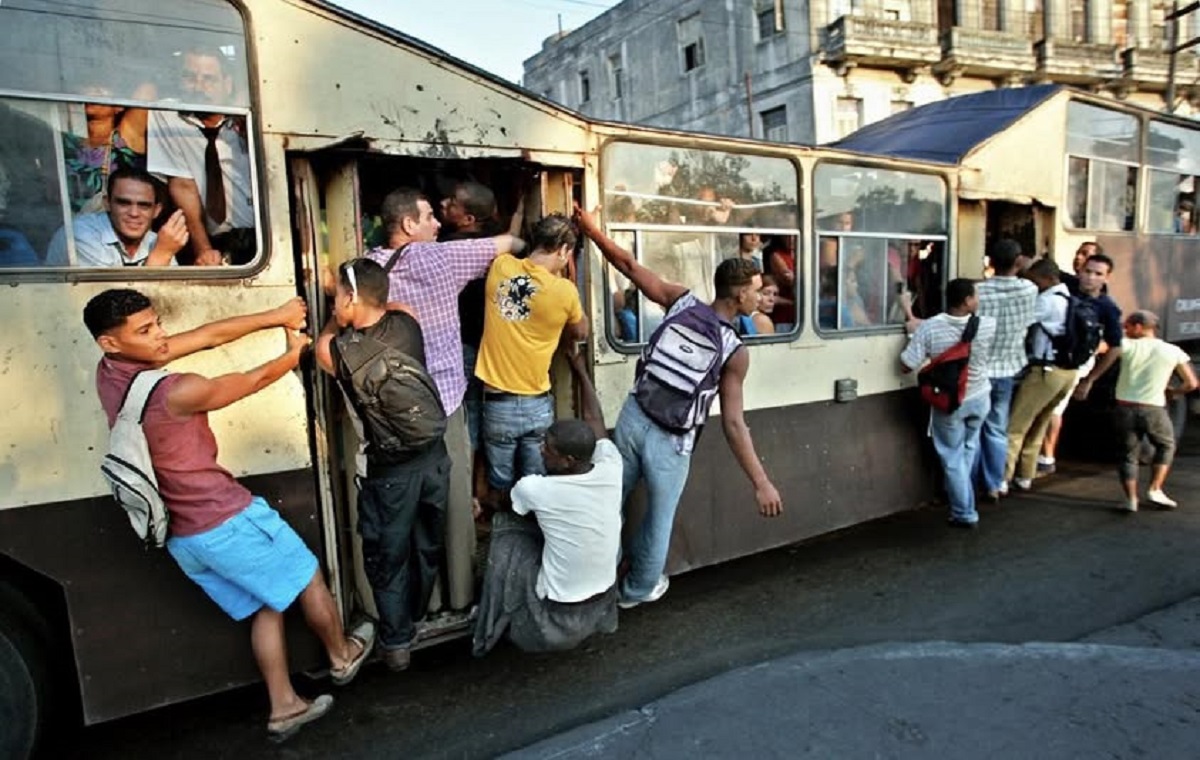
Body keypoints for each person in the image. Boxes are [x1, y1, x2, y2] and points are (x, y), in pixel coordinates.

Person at [83, 289, 374, 742]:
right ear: (111, 342)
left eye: (157, 323)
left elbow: (206, 335)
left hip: (184, 538)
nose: (161, 336)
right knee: (308, 577)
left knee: (265, 605)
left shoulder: (111, 375)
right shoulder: (175, 391)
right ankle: (343, 656)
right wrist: (292, 352)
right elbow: (253, 381)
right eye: (146, 331)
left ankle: (284, 707)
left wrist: (275, 315)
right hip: (224, 520)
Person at [575, 205, 783, 609]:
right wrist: (761, 482)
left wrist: (592, 231)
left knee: (608, 500)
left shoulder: (681, 302)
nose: (759, 296)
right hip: (673, 441)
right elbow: (735, 425)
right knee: (659, 518)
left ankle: (599, 574)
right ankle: (635, 591)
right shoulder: (734, 351)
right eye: (757, 289)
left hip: (635, 417)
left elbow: (629, 265)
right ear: (740, 294)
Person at [366, 187, 525, 614]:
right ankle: (459, 595)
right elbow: (507, 244)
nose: (439, 223)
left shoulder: (369, 267)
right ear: (408, 226)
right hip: (446, 403)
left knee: (409, 511)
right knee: (454, 503)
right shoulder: (442, 258)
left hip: (392, 412)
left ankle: (422, 602)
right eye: (429, 217)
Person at [314, 258, 448, 672]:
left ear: (351, 298)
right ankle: (421, 613)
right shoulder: (409, 325)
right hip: (434, 458)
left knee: (386, 557)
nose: (334, 304)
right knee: (426, 544)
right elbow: (395, 307)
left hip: (388, 474)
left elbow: (323, 342)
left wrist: (336, 319)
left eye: (338, 297)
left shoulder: (336, 350)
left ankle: (397, 643)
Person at [473, 347, 621, 655]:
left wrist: (478, 487)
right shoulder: (611, 465)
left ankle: (490, 624)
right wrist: (579, 369)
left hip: (554, 615)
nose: (540, 449)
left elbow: (496, 500)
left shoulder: (537, 490)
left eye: (548, 449)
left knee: (506, 534)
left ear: (567, 461)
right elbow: (595, 418)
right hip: (603, 599)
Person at [476, 213, 588, 497]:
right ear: (563, 250)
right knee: (535, 483)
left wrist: (516, 215)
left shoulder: (501, 268)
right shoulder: (565, 292)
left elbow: (508, 244)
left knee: (500, 482)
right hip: (537, 404)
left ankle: (503, 524)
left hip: (497, 404)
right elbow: (581, 333)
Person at [1076, 311, 1198, 512]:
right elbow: (1191, 384)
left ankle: (1130, 499)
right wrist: (1174, 392)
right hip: (1154, 409)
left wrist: (1089, 380)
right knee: (1166, 446)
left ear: (1138, 327)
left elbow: (1105, 352)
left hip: (1124, 408)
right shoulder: (1173, 351)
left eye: (1128, 326)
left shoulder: (1126, 345)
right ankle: (1155, 489)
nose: (1124, 329)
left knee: (1127, 454)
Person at [900, 278, 997, 528]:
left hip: (951, 401)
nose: (978, 300)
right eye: (975, 296)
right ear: (966, 302)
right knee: (968, 448)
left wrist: (912, 323)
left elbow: (906, 364)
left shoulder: (930, 328)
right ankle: (965, 498)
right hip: (980, 397)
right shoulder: (986, 325)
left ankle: (964, 512)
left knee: (952, 457)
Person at [147, 46, 254, 265]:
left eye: (209, 79)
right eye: (190, 77)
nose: (199, 87)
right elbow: (182, 185)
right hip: (216, 240)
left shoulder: (247, 116)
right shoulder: (167, 115)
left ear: (228, 84)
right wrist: (204, 250)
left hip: (263, 234)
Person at [1003, 259, 1078, 491]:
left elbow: (1017, 323)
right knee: (1039, 424)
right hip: (1068, 372)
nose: (1031, 284)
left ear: (1046, 279)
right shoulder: (1070, 298)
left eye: (1034, 280)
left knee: (1015, 427)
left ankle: (1002, 478)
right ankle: (1026, 475)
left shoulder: (1046, 302)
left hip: (1046, 371)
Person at [1039, 242, 1112, 475]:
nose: (1081, 260)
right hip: (1059, 356)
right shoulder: (1069, 284)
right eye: (1079, 254)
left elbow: (1110, 342)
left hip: (1074, 361)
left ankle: (1047, 457)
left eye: (1087, 257)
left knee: (1054, 409)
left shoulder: (1102, 302)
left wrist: (1088, 362)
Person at [973, 239, 1038, 500]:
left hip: (979, 370)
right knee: (997, 429)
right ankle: (995, 482)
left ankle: (975, 482)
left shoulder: (978, 291)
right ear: (1019, 261)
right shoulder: (1029, 289)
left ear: (989, 262)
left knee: (974, 429)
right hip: (1008, 368)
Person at [46, 167, 189, 267]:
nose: (134, 213)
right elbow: (110, 304)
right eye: (124, 203)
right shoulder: (82, 234)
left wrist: (162, 252)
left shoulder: (156, 241)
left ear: (156, 211)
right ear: (107, 203)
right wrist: (160, 256)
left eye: (144, 205)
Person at [63, 84, 153, 214]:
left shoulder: (125, 137)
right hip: (71, 228)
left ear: (119, 106)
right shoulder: (68, 144)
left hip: (116, 228)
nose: (92, 95)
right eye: (88, 89)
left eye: (100, 91)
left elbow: (147, 87)